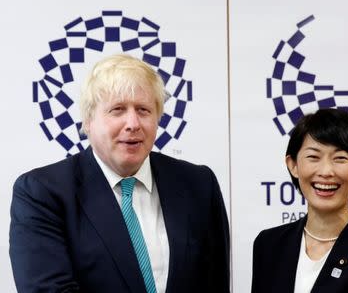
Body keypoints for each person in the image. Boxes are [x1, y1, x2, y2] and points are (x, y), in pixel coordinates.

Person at [10, 54, 230, 293]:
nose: (133, 123)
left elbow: (214, 283)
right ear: (88, 121)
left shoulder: (197, 185)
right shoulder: (43, 192)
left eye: (144, 110)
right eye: (117, 110)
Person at [251, 108, 348, 293]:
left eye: (340, 158)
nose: (325, 171)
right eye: (313, 157)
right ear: (293, 165)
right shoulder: (269, 244)